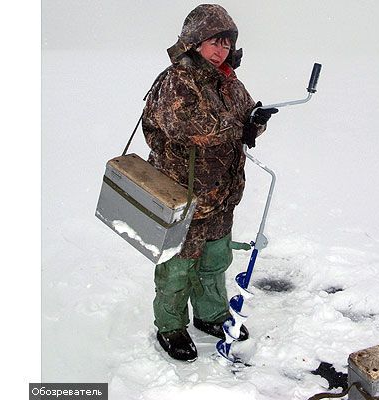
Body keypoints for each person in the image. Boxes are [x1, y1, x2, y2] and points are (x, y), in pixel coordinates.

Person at [141, 4, 278, 361]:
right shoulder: (175, 81)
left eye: (226, 44)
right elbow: (189, 127)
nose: (221, 51)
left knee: (215, 261)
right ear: (195, 42)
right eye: (214, 43)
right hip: (182, 196)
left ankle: (210, 315)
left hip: (221, 194)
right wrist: (240, 126)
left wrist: (256, 120)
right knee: (177, 267)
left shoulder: (230, 80)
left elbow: (243, 115)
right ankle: (170, 326)